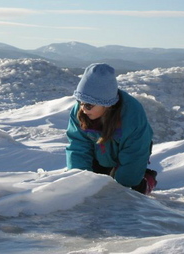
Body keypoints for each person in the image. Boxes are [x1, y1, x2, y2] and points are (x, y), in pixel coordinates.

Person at [66, 63, 157, 194]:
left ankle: (146, 180)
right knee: (93, 186)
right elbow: (78, 147)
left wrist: (121, 189)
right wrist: (79, 180)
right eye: (80, 102)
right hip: (99, 154)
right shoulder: (80, 112)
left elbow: (134, 154)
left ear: (106, 104)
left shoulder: (132, 116)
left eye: (88, 105)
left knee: (132, 190)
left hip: (126, 156)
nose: (83, 109)